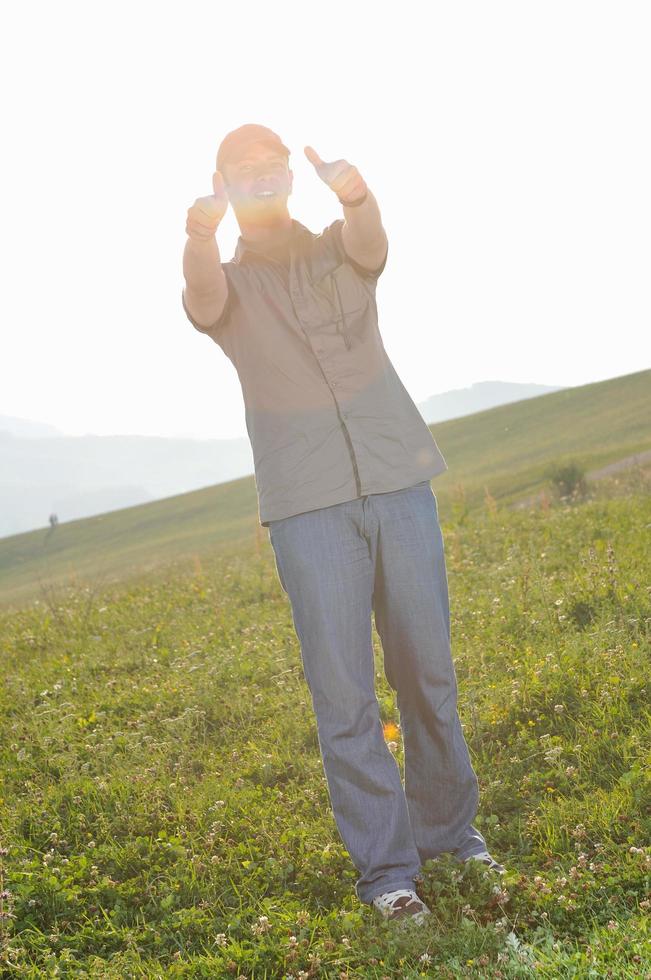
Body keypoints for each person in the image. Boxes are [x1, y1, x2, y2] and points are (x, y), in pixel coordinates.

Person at [182, 123, 504, 926]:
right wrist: (197, 230)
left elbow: (371, 243)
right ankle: (389, 877)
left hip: (399, 482)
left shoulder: (337, 249)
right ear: (224, 182)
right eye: (242, 171)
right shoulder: (228, 285)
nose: (260, 177)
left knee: (427, 676)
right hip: (308, 507)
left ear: (289, 174)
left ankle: (453, 840)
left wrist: (356, 192)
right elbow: (200, 299)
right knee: (345, 698)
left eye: (270, 166)